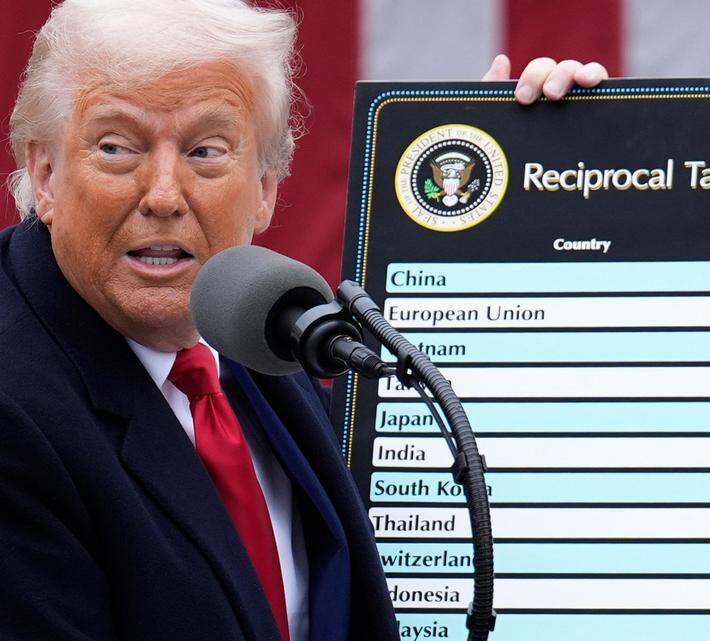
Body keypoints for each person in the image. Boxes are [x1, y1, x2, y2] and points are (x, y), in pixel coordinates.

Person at [0, 1, 608, 640]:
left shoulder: (253, 323)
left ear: (265, 186)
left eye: (206, 151)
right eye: (117, 147)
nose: (162, 195)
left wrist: (517, 191)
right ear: (44, 171)